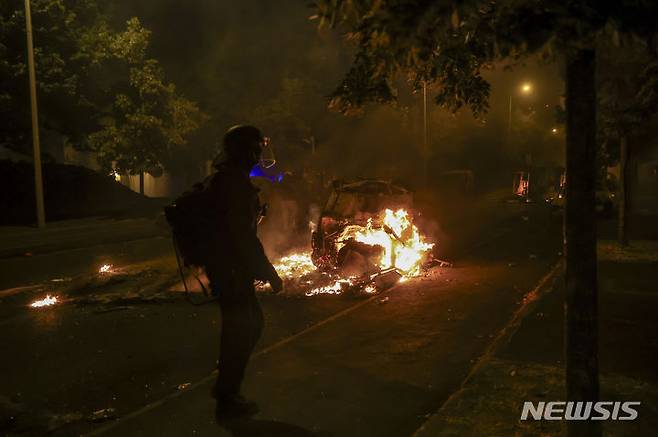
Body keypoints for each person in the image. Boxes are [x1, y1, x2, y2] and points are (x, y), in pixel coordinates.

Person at [203, 125, 283, 418]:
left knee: (247, 326)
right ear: (244, 151)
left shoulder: (225, 180)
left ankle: (227, 385)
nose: (258, 154)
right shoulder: (233, 185)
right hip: (231, 269)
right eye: (255, 149)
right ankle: (227, 394)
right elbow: (243, 237)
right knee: (242, 329)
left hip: (226, 268)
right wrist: (269, 272)